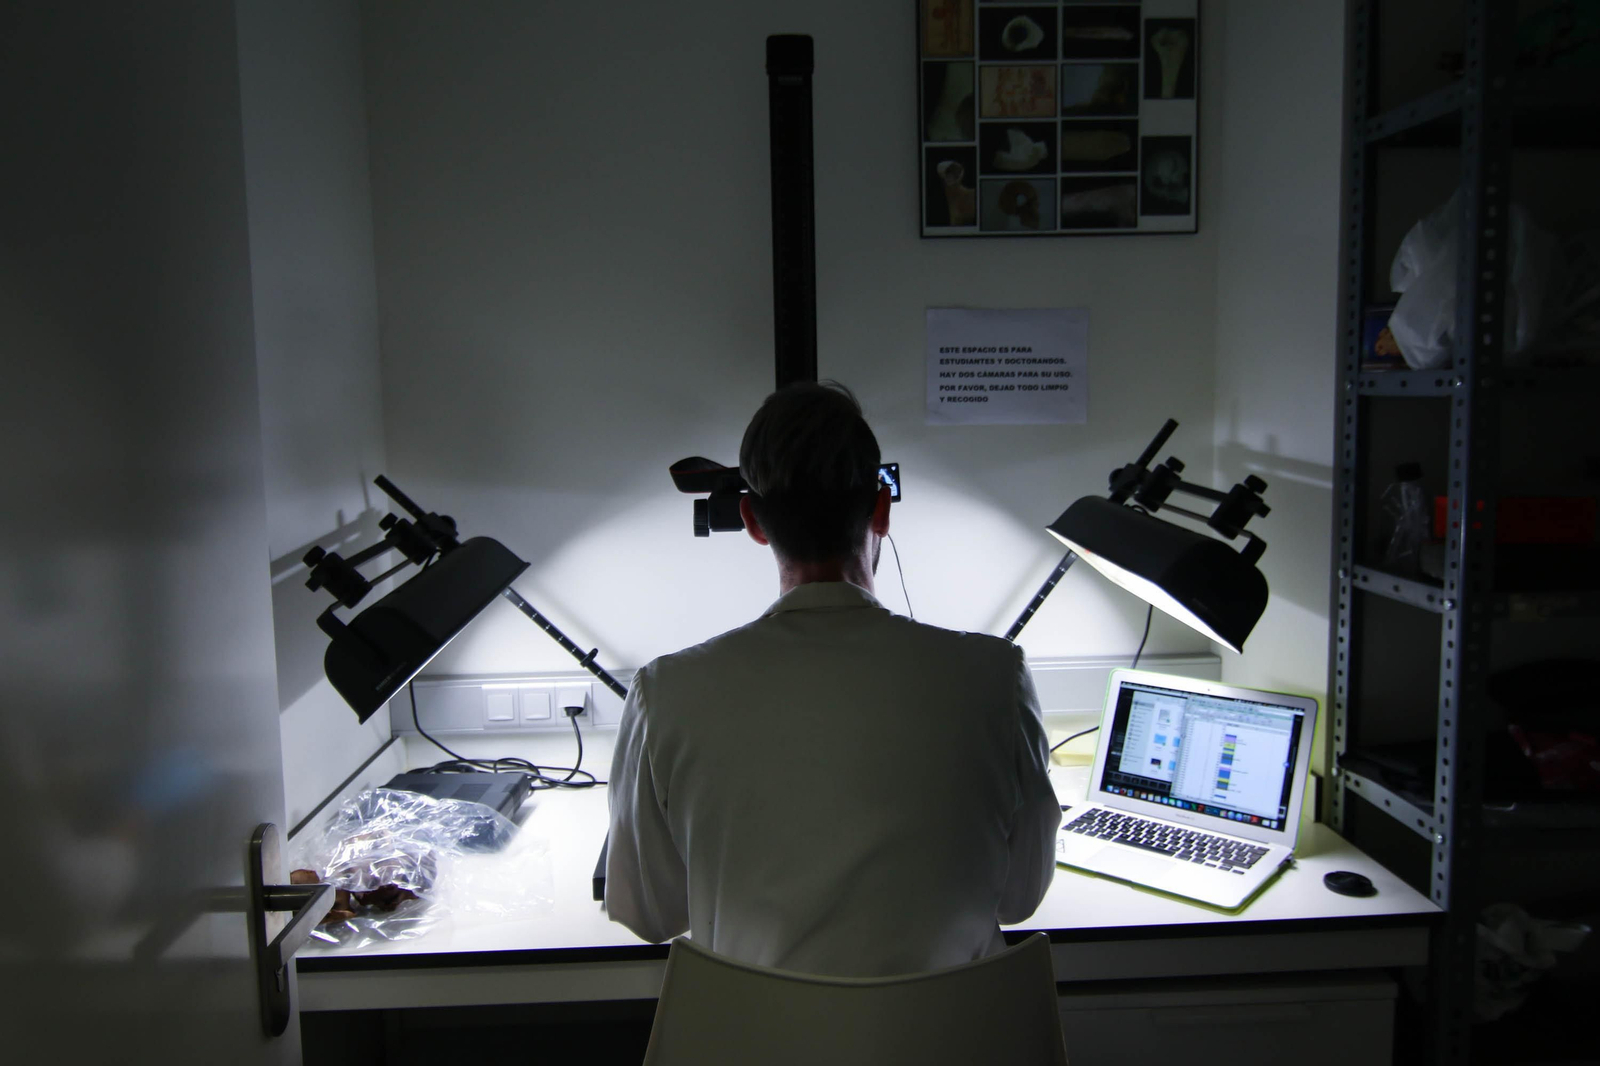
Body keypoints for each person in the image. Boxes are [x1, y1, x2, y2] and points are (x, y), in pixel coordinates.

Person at [605, 382, 1059, 977]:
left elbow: (648, 917)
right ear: (881, 508)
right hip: (950, 1039)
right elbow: (1020, 898)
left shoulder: (667, 692)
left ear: (752, 521)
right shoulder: (995, 676)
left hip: (755, 1037)